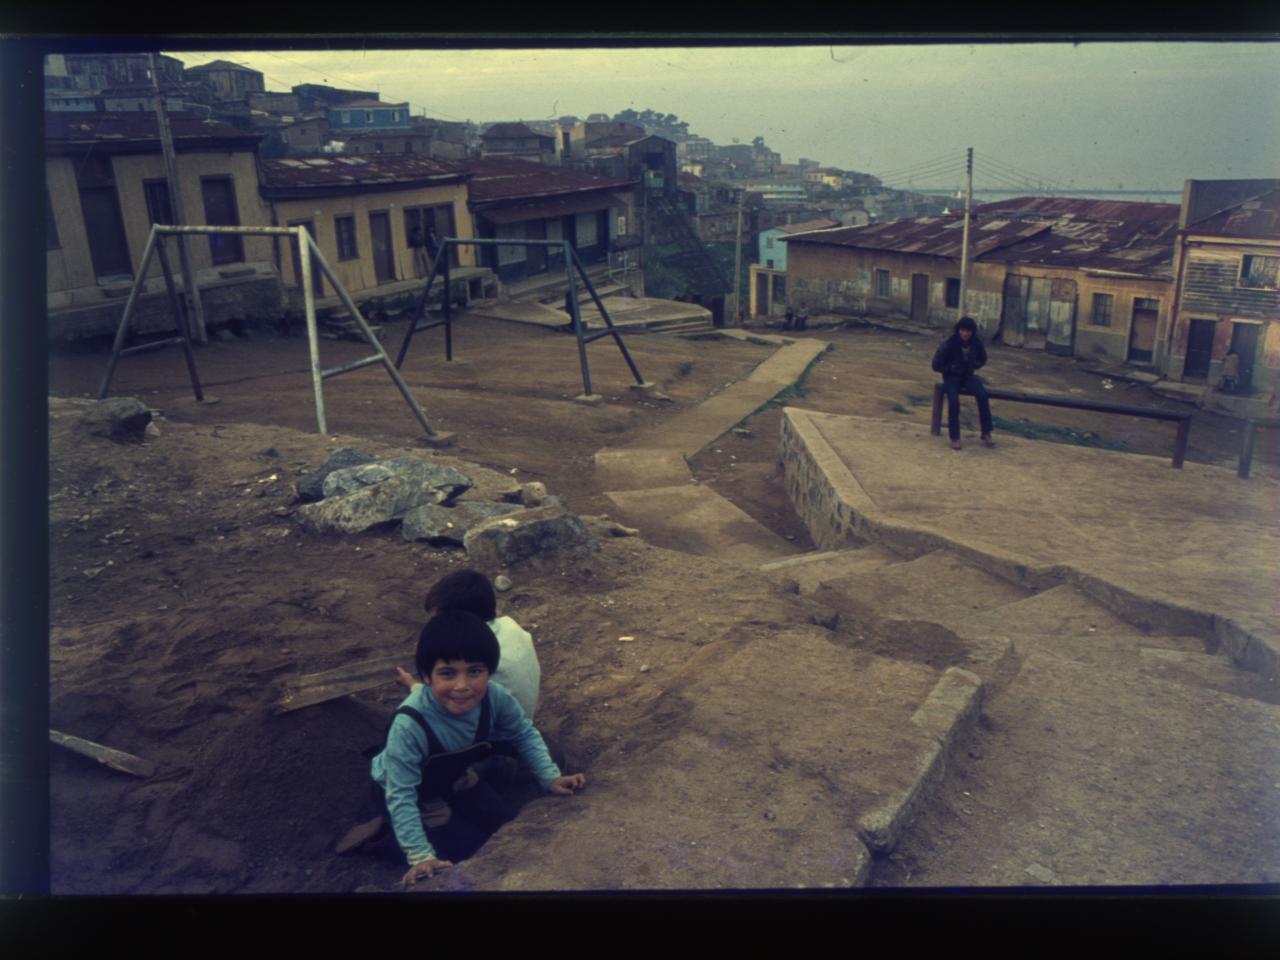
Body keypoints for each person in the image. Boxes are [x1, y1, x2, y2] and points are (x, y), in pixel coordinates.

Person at [336, 609, 586, 887]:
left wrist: (549, 777)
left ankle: (441, 814)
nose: (462, 685)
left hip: (455, 777)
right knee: (469, 852)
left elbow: (523, 732)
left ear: (489, 671)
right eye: (448, 673)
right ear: (428, 676)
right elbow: (401, 792)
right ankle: (382, 839)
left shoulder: (494, 697)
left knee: (506, 829)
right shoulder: (410, 725)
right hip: (413, 792)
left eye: (475, 671)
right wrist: (420, 856)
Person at [395, 569, 540, 718]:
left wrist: (414, 686)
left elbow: (443, 702)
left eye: (438, 619)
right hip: (523, 714)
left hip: (497, 732)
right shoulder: (509, 625)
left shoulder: (474, 653)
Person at [932, 316, 994, 450]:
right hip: (951, 378)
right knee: (954, 402)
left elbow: (983, 358)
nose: (966, 334)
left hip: (968, 376)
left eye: (968, 331)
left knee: (983, 395)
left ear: (972, 332)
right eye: (963, 330)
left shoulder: (976, 343)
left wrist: (974, 366)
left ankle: (986, 432)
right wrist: (950, 368)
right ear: (959, 330)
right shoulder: (949, 343)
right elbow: (936, 364)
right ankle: (955, 437)